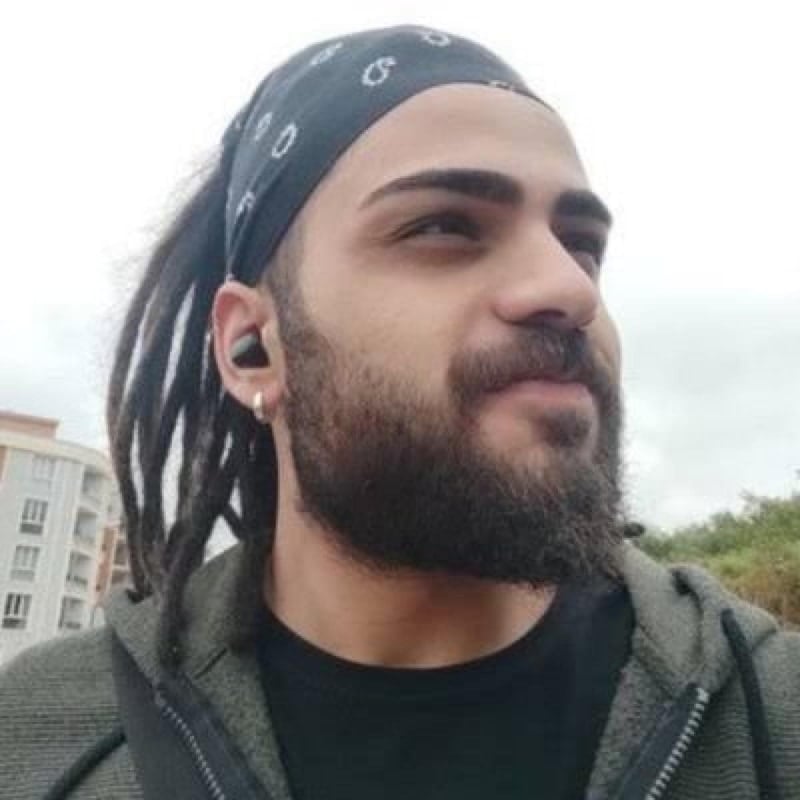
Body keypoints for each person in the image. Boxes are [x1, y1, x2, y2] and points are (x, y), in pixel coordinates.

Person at [1, 24, 797, 800]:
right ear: (252, 347)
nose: (570, 288)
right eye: (444, 226)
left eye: (581, 243)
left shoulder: (773, 714)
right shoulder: (35, 744)